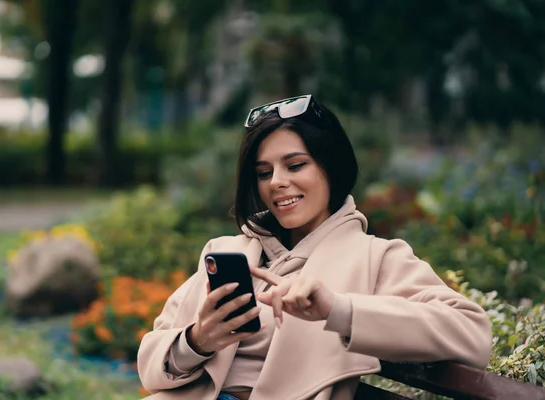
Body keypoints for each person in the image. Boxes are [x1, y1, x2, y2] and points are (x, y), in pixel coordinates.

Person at [137, 95, 492, 400]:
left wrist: (336, 308)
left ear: (331, 167)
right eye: (264, 172)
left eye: (295, 165)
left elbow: (472, 334)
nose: (277, 182)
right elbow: (151, 363)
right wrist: (198, 340)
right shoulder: (227, 252)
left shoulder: (376, 257)